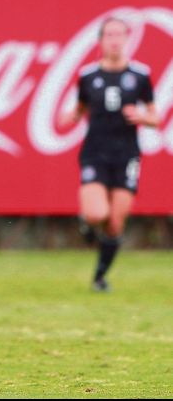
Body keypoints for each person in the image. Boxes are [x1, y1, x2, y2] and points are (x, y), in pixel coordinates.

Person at [60, 16, 158, 292]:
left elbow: (156, 116)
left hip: (127, 155)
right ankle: (86, 224)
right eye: (109, 35)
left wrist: (142, 116)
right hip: (95, 152)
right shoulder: (88, 76)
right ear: (101, 41)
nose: (115, 40)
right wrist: (68, 117)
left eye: (119, 35)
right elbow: (78, 110)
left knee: (115, 222)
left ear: (128, 39)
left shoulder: (140, 75)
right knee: (96, 213)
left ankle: (99, 278)